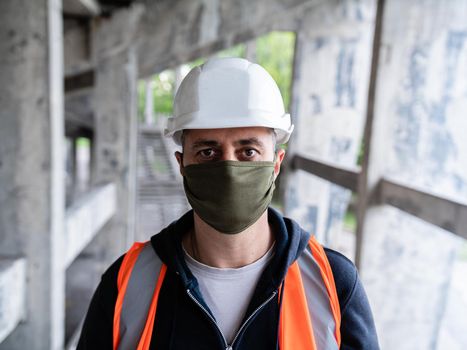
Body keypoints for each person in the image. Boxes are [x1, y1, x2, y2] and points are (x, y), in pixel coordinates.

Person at [78, 57, 379, 349]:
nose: (229, 169)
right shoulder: (126, 284)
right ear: (182, 164)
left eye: (248, 152)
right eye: (208, 153)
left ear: (276, 164)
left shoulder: (333, 285)